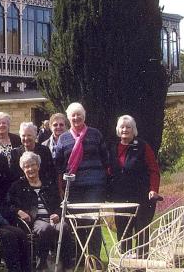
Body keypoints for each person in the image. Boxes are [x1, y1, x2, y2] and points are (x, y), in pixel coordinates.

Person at [54, 102, 108, 260]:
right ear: (69, 117)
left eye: (79, 114)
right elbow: (59, 167)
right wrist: (60, 189)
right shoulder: (63, 139)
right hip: (73, 187)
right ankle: (80, 257)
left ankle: (94, 258)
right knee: (76, 223)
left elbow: (105, 159)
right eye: (73, 115)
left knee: (92, 222)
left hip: (94, 186)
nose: (76, 117)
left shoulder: (95, 134)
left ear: (84, 116)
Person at [8, 151, 74, 271]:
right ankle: (41, 267)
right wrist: (19, 211)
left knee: (63, 227)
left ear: (38, 166)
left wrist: (57, 214)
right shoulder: (17, 186)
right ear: (23, 169)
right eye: (27, 166)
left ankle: (67, 266)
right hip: (34, 221)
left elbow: (59, 204)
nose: (30, 169)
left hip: (53, 219)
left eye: (33, 165)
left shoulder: (48, 184)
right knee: (45, 228)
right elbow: (8, 204)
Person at [108, 115, 160, 248]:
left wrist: (153, 189)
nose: (125, 129)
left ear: (134, 129)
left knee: (141, 232)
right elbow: (109, 170)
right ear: (118, 129)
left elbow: (154, 170)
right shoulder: (113, 147)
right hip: (120, 197)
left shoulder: (142, 146)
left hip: (142, 196)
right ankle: (125, 265)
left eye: (128, 127)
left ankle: (141, 266)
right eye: (122, 127)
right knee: (123, 233)